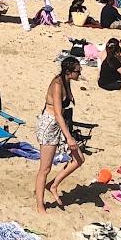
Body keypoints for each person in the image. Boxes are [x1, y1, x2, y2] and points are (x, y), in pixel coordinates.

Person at [34, 58, 85, 213]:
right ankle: (40, 206)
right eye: (78, 71)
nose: (80, 73)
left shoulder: (66, 81)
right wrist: (69, 137)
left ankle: (53, 185)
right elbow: (57, 113)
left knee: (79, 159)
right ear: (69, 72)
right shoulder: (57, 84)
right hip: (50, 125)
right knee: (45, 168)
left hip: (60, 123)